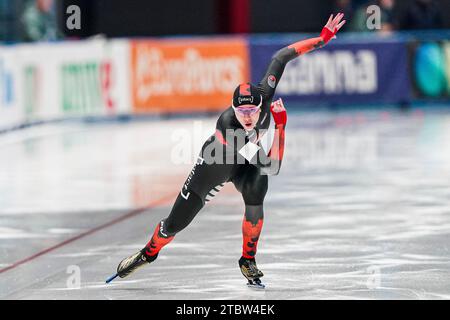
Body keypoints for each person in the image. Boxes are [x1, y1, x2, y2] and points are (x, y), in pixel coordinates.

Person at [111, 13, 346, 287]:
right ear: (233, 110)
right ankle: (147, 253)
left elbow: (282, 56)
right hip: (216, 165)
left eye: (252, 111)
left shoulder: (265, 95)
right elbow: (273, 163)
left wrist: (321, 39)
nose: (247, 116)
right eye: (241, 111)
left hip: (245, 165)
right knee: (175, 224)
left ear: (261, 105)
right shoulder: (228, 126)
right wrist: (281, 127)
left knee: (259, 187)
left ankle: (248, 259)